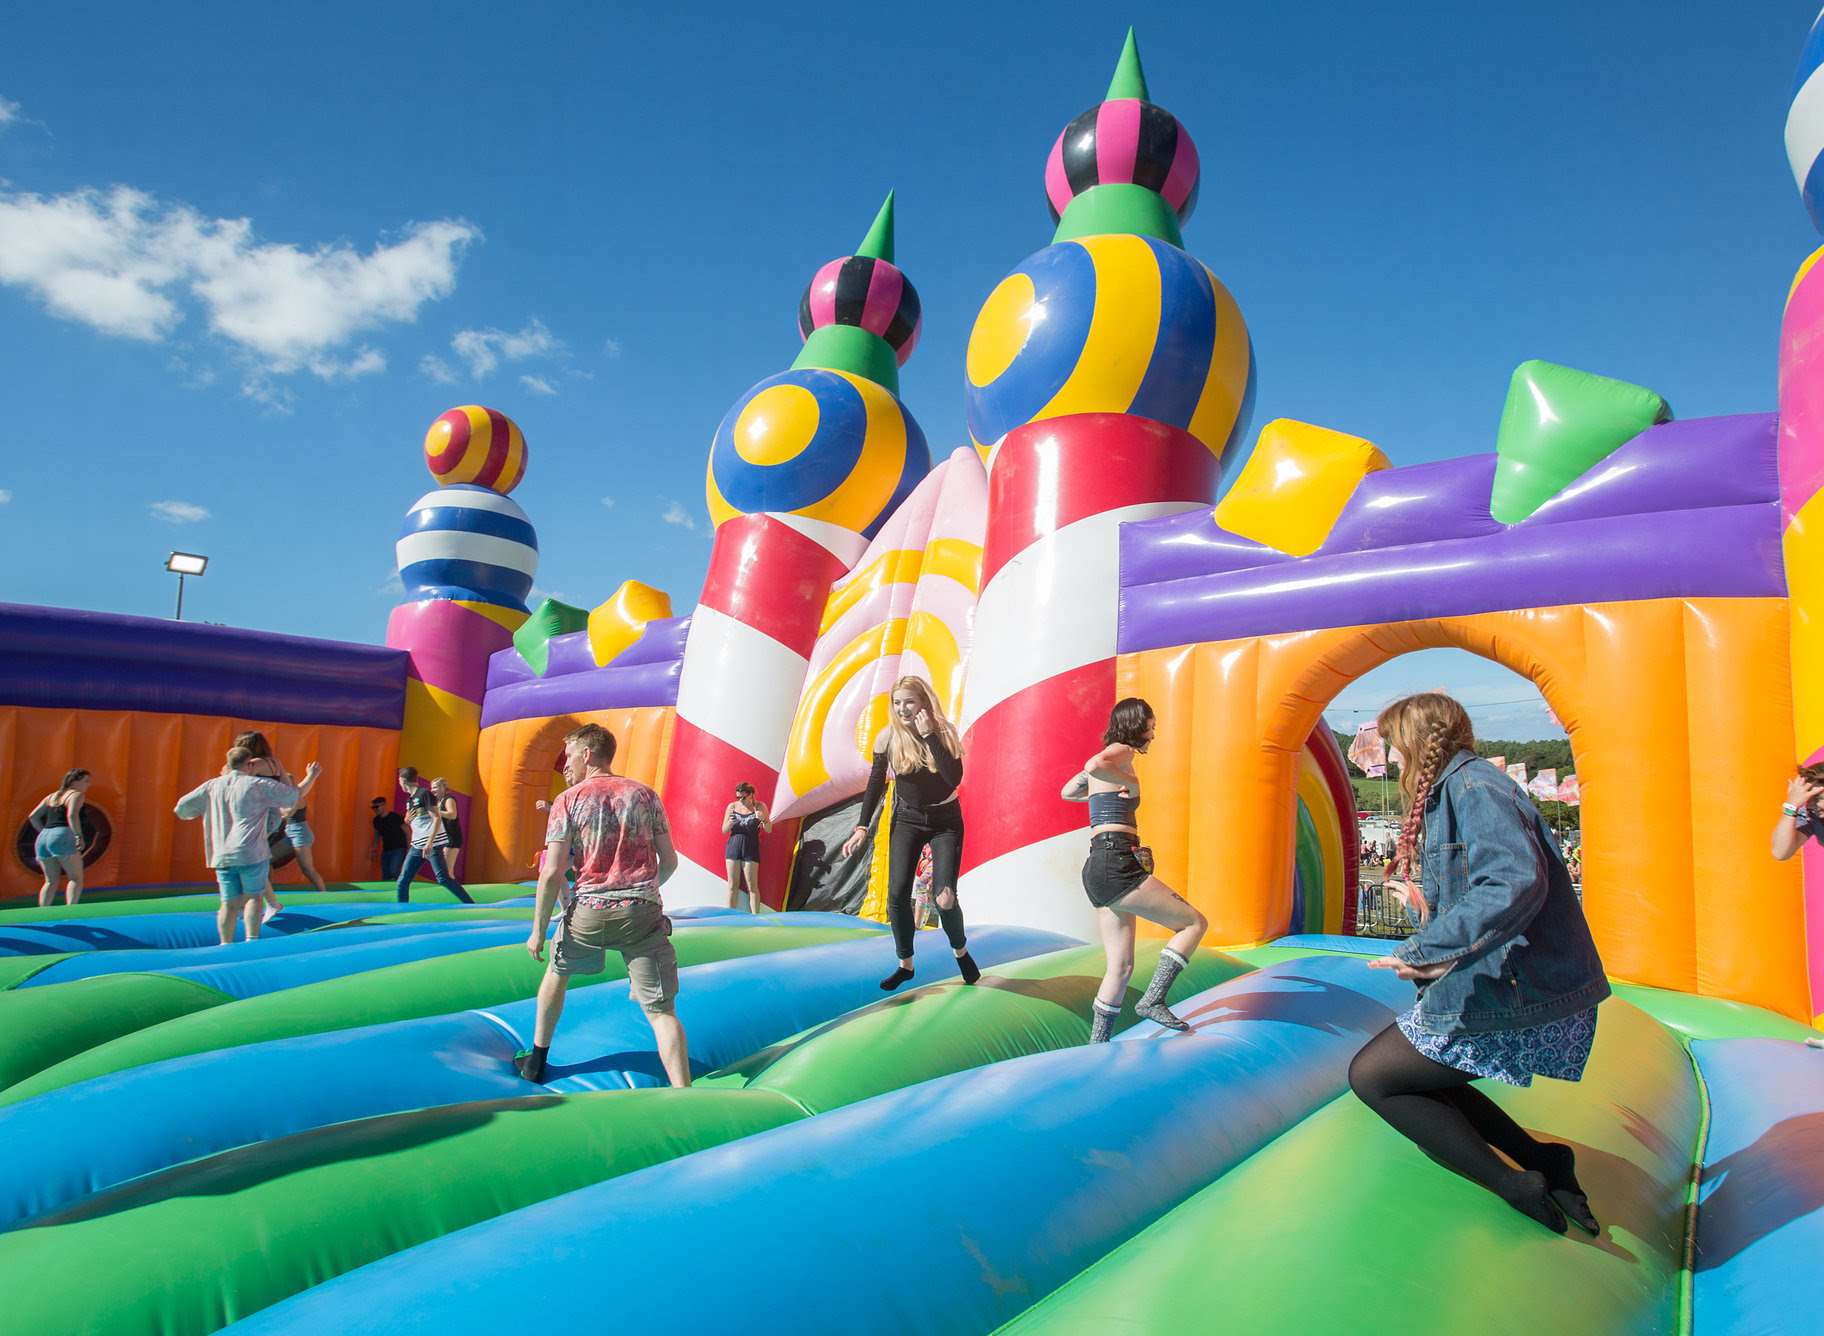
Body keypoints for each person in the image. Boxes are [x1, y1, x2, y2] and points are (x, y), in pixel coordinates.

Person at [1347, 692, 1609, 1236]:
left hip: (1529, 993)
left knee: (1374, 1078)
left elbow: (1513, 882)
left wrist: (1425, 950)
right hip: (1515, 983)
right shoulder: (1460, 790)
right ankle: (1542, 1159)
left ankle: (1517, 1183)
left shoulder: (1474, 788)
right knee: (1415, 1072)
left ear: (1418, 743)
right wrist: (1428, 908)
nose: (1392, 761)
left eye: (1395, 748)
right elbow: (1488, 888)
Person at [518, 723, 689, 1087]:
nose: (568, 763)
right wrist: (643, 890)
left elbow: (552, 873)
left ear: (587, 754)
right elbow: (670, 861)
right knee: (661, 1011)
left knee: (557, 974)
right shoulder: (645, 795)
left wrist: (537, 930)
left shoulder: (569, 800)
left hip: (589, 912)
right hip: (640, 912)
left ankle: (536, 1060)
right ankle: (683, 1093)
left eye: (571, 755)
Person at [1061, 698, 1209, 1041]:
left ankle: (1097, 1044)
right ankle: (1154, 999)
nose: (1153, 734)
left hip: (1097, 865)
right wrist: (1134, 785)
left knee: (1121, 967)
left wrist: (1099, 791)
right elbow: (1094, 763)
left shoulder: (1115, 758)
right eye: (1151, 726)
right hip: (1116, 861)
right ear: (1136, 725)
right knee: (1193, 923)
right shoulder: (1121, 752)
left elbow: (1068, 792)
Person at [841, 675, 979, 991]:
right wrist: (862, 826)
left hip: (945, 820)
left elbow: (953, 777)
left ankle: (961, 951)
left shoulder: (943, 731)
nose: (903, 709)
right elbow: (875, 784)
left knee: (944, 898)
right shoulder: (887, 738)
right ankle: (906, 964)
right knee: (896, 893)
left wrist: (929, 735)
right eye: (897, 702)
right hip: (907, 819)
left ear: (923, 703)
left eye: (910, 702)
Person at [175, 747, 318, 945]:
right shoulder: (257, 784)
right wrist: (310, 776)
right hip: (251, 852)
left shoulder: (211, 786)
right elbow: (293, 796)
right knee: (254, 898)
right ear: (249, 764)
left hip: (222, 854)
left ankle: (225, 944)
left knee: (228, 903)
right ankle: (251, 941)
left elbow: (181, 808)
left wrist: (198, 813)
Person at [231, 732, 299, 924]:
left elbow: (233, 779)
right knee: (253, 860)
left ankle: (265, 903)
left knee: (250, 860)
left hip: (260, 816)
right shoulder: (274, 763)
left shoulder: (254, 764)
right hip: (271, 816)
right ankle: (265, 902)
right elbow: (288, 787)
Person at [395, 766, 472, 903]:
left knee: (443, 878)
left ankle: (470, 903)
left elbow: (436, 817)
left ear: (403, 780)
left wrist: (430, 842)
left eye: (399, 780)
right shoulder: (410, 800)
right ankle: (402, 910)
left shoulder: (424, 794)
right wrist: (407, 821)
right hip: (417, 845)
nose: (399, 783)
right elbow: (416, 820)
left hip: (432, 844)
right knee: (402, 880)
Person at [28, 769, 91, 908]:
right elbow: (71, 815)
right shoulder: (76, 795)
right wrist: (78, 836)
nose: (88, 784)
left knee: (50, 881)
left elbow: (33, 816)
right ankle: (71, 910)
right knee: (75, 877)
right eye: (86, 781)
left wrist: (44, 831)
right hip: (62, 834)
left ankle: (43, 912)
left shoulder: (52, 796)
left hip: (43, 838)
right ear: (74, 781)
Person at [721, 781, 771, 912]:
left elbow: (769, 829)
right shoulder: (732, 806)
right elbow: (724, 830)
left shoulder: (760, 807)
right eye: (738, 797)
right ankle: (728, 916)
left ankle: (756, 918)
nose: (740, 800)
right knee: (732, 885)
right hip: (734, 846)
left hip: (750, 848)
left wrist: (764, 819)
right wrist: (730, 823)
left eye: (743, 797)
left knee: (752, 886)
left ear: (751, 795)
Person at [1770, 762, 1824, 860]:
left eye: (1817, 798)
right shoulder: (1810, 815)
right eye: (1808, 798)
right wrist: (1791, 805)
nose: (1811, 805)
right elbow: (1780, 853)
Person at [370, 797, 409, 882]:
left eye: (377, 807)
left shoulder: (395, 817)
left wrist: (410, 846)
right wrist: (374, 849)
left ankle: (402, 885)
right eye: (373, 808)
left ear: (383, 805)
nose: (375, 810)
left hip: (399, 848)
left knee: (394, 870)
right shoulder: (376, 820)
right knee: (386, 874)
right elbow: (377, 835)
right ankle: (388, 891)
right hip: (386, 849)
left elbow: (407, 831)